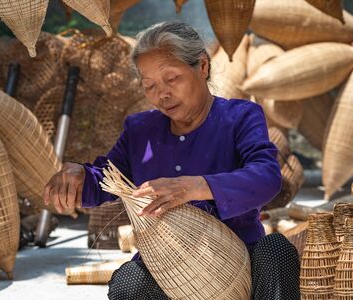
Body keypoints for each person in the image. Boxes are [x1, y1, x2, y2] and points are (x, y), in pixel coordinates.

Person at [44, 21, 300, 300]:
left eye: (172, 78)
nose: (161, 94)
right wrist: (79, 175)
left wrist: (197, 187)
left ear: (203, 67)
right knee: (127, 284)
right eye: (149, 85)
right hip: (169, 268)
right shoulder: (140, 130)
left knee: (277, 251)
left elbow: (266, 177)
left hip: (240, 261)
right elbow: (105, 178)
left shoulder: (240, 117)